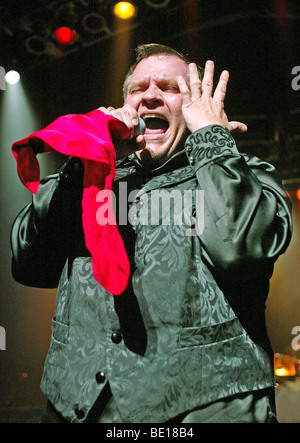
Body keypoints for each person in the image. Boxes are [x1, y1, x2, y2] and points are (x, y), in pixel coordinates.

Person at [10, 43, 292, 423]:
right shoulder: (94, 180)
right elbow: (29, 264)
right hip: (77, 409)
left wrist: (211, 137)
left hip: (204, 411)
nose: (150, 96)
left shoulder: (244, 173)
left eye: (170, 88)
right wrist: (88, 157)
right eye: (138, 89)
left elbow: (242, 248)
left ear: (196, 104)